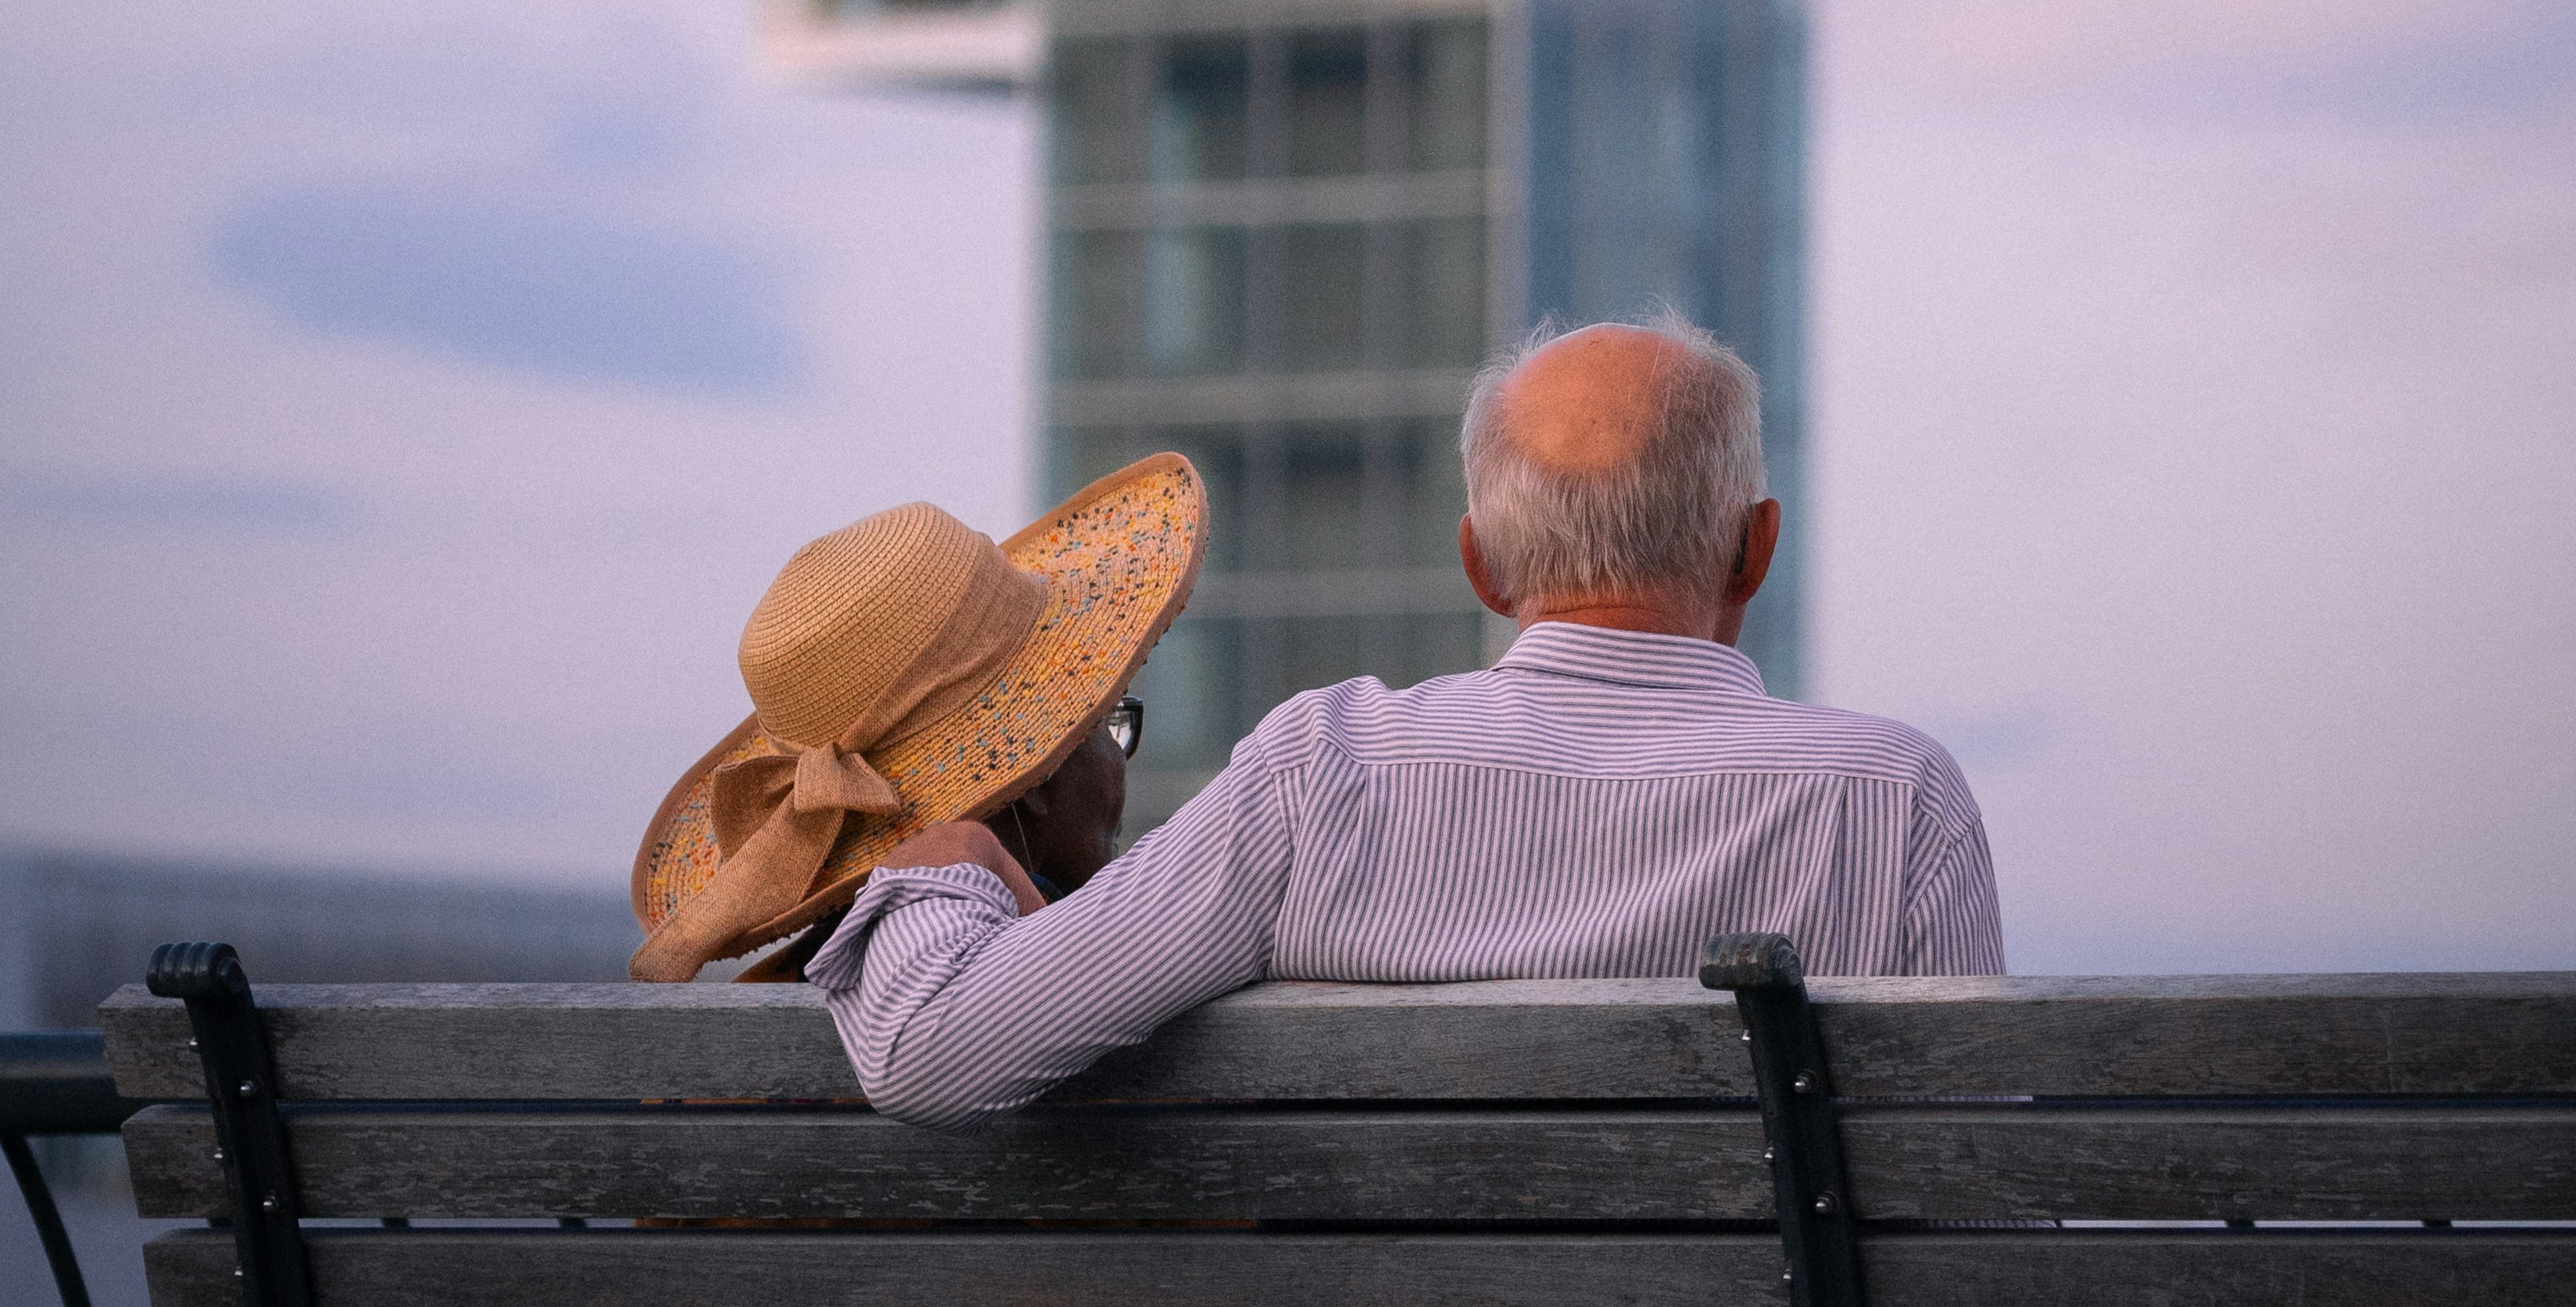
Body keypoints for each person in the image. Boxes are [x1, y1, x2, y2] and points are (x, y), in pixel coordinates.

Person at [813, 311, 2005, 1118]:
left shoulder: (1323, 771)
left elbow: (929, 1047)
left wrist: (949, 865)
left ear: (1480, 565)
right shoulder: (1896, 800)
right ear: (1754, 549)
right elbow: (1972, 1218)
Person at [624, 456, 1201, 984]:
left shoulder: (813, 979)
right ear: (1033, 774)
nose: (1117, 760)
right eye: (1106, 723)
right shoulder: (1075, 979)